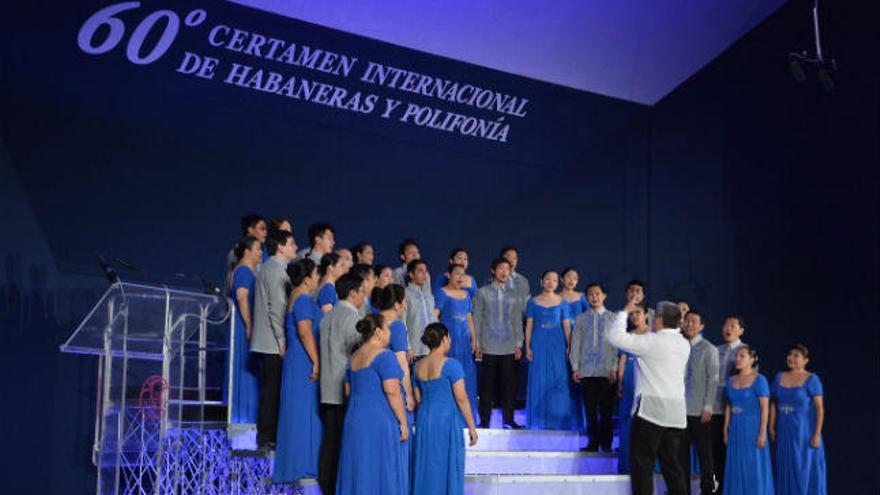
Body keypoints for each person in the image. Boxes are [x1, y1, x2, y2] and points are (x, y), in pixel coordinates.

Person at [606, 300, 690, 495]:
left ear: (659, 319)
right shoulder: (684, 344)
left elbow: (615, 336)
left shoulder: (651, 341)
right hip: (676, 415)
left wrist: (624, 311)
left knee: (643, 466)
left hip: (651, 412)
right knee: (672, 466)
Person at [335, 314, 409, 495]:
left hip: (354, 418)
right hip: (378, 420)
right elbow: (392, 391)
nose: (390, 333)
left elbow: (347, 392)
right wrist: (403, 422)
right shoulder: (385, 356)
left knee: (359, 466)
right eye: (387, 329)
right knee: (380, 467)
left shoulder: (353, 358)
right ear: (378, 332)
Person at [412, 323, 478, 495]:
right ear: (444, 339)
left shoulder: (417, 366)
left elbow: (418, 399)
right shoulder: (451, 365)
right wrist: (472, 427)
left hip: (424, 419)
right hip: (445, 419)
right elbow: (462, 398)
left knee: (427, 463)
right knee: (446, 463)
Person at [273, 259, 322, 483]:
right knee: (302, 410)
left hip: (297, 358)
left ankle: (300, 462)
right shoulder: (302, 298)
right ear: (306, 279)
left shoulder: (296, 297)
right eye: (315, 274)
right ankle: (301, 464)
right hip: (303, 358)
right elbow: (304, 332)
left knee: (300, 409)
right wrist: (316, 360)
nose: (317, 278)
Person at [318, 273, 366, 495]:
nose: (364, 297)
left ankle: (326, 487)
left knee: (329, 441)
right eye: (362, 292)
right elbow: (356, 349)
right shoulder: (351, 316)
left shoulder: (327, 316)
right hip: (342, 388)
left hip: (326, 386)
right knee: (340, 443)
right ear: (353, 292)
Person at [250, 229, 298, 450]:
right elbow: (277, 309)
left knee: (270, 389)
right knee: (273, 390)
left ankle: (266, 435)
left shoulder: (268, 268)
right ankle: (268, 437)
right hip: (271, 343)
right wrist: (282, 340)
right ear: (280, 246)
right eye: (291, 243)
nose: (295, 248)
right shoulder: (277, 271)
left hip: (266, 341)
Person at [524, 270, 580, 430]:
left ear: (558, 283)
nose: (550, 282)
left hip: (558, 343)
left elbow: (567, 326)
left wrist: (570, 346)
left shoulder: (562, 303)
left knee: (559, 377)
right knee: (539, 377)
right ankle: (537, 421)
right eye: (547, 279)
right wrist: (527, 347)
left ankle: (558, 421)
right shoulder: (533, 302)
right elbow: (529, 326)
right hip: (539, 342)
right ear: (541, 281)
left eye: (554, 280)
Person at [473, 257, 524, 429]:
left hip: (509, 345)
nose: (504, 272)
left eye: (507, 269)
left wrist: (519, 343)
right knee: (487, 386)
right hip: (488, 344)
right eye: (500, 268)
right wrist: (477, 343)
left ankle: (508, 420)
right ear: (493, 270)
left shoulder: (513, 294)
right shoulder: (482, 292)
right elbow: (477, 319)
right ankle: (484, 421)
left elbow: (517, 320)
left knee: (508, 386)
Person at [770, 345, 826, 495]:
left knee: (802, 467)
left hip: (803, 430)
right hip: (784, 427)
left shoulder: (812, 379)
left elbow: (820, 409)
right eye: (789, 354)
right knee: (785, 465)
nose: (791, 358)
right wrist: (771, 426)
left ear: (805, 360)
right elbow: (773, 402)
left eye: (796, 355)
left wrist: (816, 434)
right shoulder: (779, 376)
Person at [570, 283, 617, 450]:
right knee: (590, 411)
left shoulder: (612, 318)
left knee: (606, 411)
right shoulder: (581, 319)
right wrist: (575, 367)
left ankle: (606, 443)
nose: (594, 297)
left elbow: (615, 346)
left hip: (606, 371)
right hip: (587, 371)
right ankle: (593, 442)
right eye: (590, 294)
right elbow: (575, 344)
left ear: (604, 296)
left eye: (597, 293)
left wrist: (614, 368)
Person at [722, 346, 774, 495]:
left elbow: (765, 408)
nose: (737, 359)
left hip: (752, 428)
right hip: (736, 426)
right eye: (736, 356)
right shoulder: (731, 380)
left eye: (742, 356)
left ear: (752, 360)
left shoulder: (760, 379)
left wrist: (762, 433)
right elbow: (728, 406)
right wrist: (725, 428)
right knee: (736, 464)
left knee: (753, 464)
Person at [679, 310, 720, 495]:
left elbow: (713, 380)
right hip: (679, 411)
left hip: (700, 411)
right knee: (680, 454)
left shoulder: (708, 348)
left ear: (702, 326)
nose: (689, 324)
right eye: (687, 320)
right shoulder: (678, 346)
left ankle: (707, 489)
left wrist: (708, 406)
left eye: (694, 321)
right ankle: (682, 489)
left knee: (704, 453)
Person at [434, 264, 478, 415]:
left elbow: (469, 318)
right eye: (457, 274)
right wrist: (438, 339)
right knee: (449, 375)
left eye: (463, 274)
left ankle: (466, 414)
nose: (460, 277)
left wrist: (474, 339)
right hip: (448, 342)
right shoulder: (442, 292)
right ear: (449, 276)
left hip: (464, 341)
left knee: (465, 375)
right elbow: (435, 316)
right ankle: (448, 414)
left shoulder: (466, 295)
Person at [227, 236, 261, 424]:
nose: (260, 252)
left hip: (248, 325)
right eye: (257, 248)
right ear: (246, 251)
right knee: (245, 370)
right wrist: (249, 326)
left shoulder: (248, 271)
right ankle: (243, 418)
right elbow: (242, 297)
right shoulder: (242, 271)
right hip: (243, 328)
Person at [711, 316, 747, 488]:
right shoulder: (716, 350)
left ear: (741, 331)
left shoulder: (746, 352)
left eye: (733, 326)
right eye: (726, 325)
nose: (728, 329)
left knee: (732, 452)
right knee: (716, 451)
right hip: (716, 408)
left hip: (735, 410)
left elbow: (748, 382)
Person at [616, 303, 651, 474]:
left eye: (638, 313)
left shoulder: (653, 335)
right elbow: (622, 360)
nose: (635, 316)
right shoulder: (627, 336)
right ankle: (627, 466)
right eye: (632, 314)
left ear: (646, 314)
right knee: (627, 422)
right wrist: (620, 382)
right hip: (630, 379)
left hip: (646, 380)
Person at [377, 284, 416, 418]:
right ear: (396, 305)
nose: (405, 306)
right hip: (392, 387)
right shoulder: (397, 326)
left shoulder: (371, 321)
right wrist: (409, 395)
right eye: (404, 301)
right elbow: (402, 363)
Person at [404, 259, 437, 362]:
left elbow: (434, 319)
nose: (424, 274)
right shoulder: (405, 294)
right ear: (411, 274)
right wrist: (408, 347)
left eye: (425, 271)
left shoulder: (429, 295)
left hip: (432, 349)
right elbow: (402, 322)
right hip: (415, 350)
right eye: (420, 271)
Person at [225, 214, 267, 283]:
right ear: (250, 230)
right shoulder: (236, 252)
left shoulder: (261, 253)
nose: (265, 232)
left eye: (265, 229)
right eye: (262, 228)